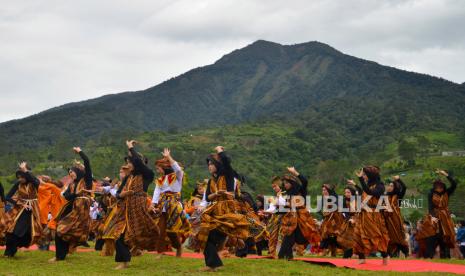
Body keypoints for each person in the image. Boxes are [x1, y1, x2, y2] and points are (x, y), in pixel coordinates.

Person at [102, 140, 159, 270]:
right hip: (125, 209)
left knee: (137, 233)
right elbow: (118, 194)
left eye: (130, 162)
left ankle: (136, 250)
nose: (128, 165)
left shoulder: (147, 175)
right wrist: (122, 194)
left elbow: (139, 162)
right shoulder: (129, 177)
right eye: (128, 162)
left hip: (138, 209)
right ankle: (124, 262)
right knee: (119, 235)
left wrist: (131, 148)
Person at [197, 146, 249, 272]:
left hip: (227, 211)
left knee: (212, 237)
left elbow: (226, 161)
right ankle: (213, 263)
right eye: (208, 164)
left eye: (212, 164)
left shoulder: (227, 175)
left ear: (218, 165)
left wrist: (220, 151)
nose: (209, 166)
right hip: (215, 211)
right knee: (205, 236)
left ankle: (214, 263)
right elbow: (209, 197)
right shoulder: (210, 181)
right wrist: (216, 194)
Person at [50, 147, 93, 263]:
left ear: (78, 172)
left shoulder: (87, 180)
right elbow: (68, 196)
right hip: (72, 209)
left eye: (72, 172)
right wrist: (70, 194)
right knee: (60, 230)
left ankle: (63, 253)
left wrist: (80, 152)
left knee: (65, 231)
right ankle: (60, 255)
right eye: (69, 173)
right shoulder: (72, 185)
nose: (71, 175)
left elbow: (87, 162)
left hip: (82, 212)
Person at [152, 148, 190, 257]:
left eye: (158, 168)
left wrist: (169, 157)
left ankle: (178, 248)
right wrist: (153, 204)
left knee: (172, 230)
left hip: (174, 205)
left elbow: (178, 169)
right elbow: (157, 191)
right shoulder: (160, 180)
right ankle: (160, 252)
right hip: (163, 205)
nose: (158, 170)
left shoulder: (177, 176)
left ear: (164, 167)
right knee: (161, 229)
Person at [278, 167, 320, 260]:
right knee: (289, 236)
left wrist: (295, 172)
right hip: (289, 220)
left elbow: (305, 181)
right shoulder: (287, 194)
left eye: (287, 183)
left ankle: (283, 255)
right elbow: (284, 207)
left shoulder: (300, 191)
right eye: (284, 183)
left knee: (293, 237)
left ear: (292, 183)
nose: (286, 185)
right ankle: (287, 256)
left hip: (301, 219)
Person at [0, 162, 42, 257]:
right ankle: (9, 252)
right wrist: (20, 203)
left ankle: (11, 251)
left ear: (26, 176)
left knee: (22, 232)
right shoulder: (18, 184)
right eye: (18, 177)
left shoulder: (33, 183)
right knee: (10, 230)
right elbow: (8, 197)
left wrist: (25, 170)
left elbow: (36, 181)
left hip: (32, 211)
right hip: (19, 210)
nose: (20, 179)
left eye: (22, 177)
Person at [353, 166, 390, 265]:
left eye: (365, 174)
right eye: (363, 175)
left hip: (374, 214)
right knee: (358, 234)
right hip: (364, 214)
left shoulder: (380, 186)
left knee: (376, 235)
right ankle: (361, 257)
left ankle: (385, 256)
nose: (364, 176)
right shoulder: (367, 184)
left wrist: (360, 179)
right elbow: (364, 193)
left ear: (370, 175)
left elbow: (370, 193)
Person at [426, 169, 458, 258]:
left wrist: (446, 175)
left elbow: (454, 184)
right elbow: (430, 206)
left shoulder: (447, 192)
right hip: (434, 216)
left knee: (446, 235)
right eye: (437, 186)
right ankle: (429, 255)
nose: (439, 188)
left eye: (440, 186)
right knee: (432, 235)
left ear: (443, 186)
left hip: (445, 217)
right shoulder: (431, 194)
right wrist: (432, 216)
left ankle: (446, 255)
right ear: (434, 187)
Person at [384, 175, 409, 257]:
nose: (390, 187)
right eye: (389, 186)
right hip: (387, 220)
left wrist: (399, 180)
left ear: (395, 187)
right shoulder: (385, 197)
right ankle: (388, 255)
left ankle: (406, 253)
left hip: (396, 220)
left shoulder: (398, 196)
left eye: (392, 186)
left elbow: (404, 187)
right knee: (388, 237)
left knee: (398, 237)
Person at [337, 181, 362, 258]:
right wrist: (348, 219)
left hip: (357, 220)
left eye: (348, 192)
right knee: (342, 239)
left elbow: (361, 191)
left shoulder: (357, 200)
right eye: (345, 192)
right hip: (347, 221)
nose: (347, 194)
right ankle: (349, 253)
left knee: (355, 238)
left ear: (352, 193)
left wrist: (354, 184)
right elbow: (344, 212)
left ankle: (350, 254)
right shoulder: (343, 201)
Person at [319, 183, 344, 257]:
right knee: (326, 233)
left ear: (329, 190)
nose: (324, 192)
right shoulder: (323, 198)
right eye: (323, 190)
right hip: (327, 219)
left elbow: (337, 207)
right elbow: (320, 209)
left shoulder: (334, 197)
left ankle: (331, 250)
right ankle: (328, 250)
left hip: (335, 218)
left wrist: (330, 210)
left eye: (325, 190)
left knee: (333, 234)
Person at [265, 176, 287, 258]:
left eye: (275, 186)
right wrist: (266, 212)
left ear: (280, 185)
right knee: (272, 235)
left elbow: (283, 204)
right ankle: (272, 252)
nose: (274, 188)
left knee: (282, 235)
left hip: (284, 217)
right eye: (273, 187)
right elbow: (272, 208)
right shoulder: (275, 196)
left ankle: (280, 253)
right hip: (275, 217)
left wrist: (278, 198)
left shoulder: (286, 194)